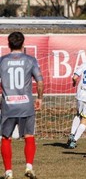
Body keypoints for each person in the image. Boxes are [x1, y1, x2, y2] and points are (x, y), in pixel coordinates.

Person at [0, 32, 44, 179]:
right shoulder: (30, 60)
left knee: (6, 138)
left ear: (8, 44)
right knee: (29, 136)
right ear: (23, 44)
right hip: (26, 105)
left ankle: (8, 172)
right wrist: (39, 98)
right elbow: (40, 81)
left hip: (8, 105)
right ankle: (29, 167)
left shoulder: (2, 61)